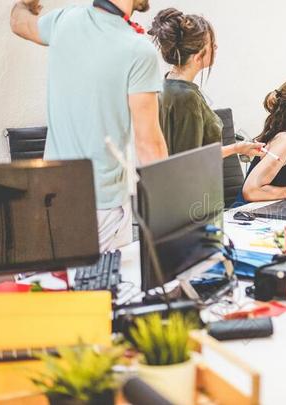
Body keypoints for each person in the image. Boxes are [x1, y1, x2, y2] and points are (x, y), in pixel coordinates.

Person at [10, 0, 168, 251]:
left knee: (64, 286)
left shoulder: (64, 21)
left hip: (51, 197)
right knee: (106, 288)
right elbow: (149, 145)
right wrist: (172, 216)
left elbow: (19, 23)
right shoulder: (138, 50)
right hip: (101, 209)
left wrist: (26, 3)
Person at [148, 8, 264, 159]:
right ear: (197, 57)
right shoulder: (186, 97)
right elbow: (191, 161)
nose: (216, 48)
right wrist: (237, 148)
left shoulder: (165, 85)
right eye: (212, 44)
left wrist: (238, 148)